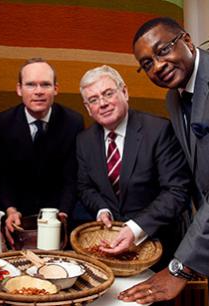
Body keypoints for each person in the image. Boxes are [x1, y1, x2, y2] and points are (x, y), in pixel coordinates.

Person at [117, 17, 209, 306]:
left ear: (186, 40)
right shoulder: (174, 98)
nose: (158, 65)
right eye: (147, 63)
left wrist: (181, 267)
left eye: (163, 51)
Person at [77, 65, 191, 272]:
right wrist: (101, 208)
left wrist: (136, 227)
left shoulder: (159, 130)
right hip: (108, 250)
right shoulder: (84, 141)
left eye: (108, 93)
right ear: (87, 108)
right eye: (93, 100)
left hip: (158, 249)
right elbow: (85, 187)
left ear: (125, 92)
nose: (102, 103)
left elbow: (176, 192)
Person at [0, 58, 84, 247]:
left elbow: (72, 176)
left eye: (45, 85)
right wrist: (10, 209)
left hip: (59, 218)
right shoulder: (2, 122)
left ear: (56, 89)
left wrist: (63, 213)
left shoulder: (74, 122)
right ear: (19, 89)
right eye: (31, 84)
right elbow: (2, 175)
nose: (39, 91)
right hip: (17, 220)